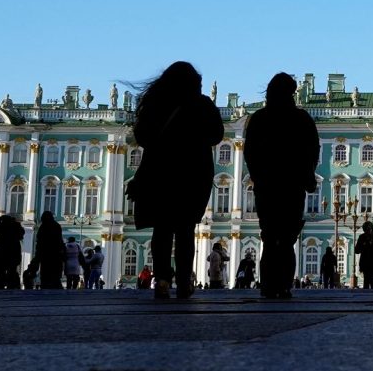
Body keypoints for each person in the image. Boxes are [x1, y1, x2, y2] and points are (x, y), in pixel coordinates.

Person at [130, 61, 225, 299]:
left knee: (162, 229)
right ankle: (184, 280)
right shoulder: (201, 104)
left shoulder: (156, 105)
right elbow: (217, 135)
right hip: (193, 174)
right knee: (185, 230)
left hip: (161, 173)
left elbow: (142, 137)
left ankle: (162, 279)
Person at [243, 72, 319, 299]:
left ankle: (268, 285)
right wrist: (308, 176)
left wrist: (257, 176)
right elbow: (312, 150)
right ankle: (284, 284)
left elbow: (250, 153)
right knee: (287, 238)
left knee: (270, 235)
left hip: (267, 185)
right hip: (291, 185)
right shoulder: (301, 119)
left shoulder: (259, 119)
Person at [0, 214, 25, 289]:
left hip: (3, 252)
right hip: (14, 252)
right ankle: (11, 286)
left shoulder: (2, 225)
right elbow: (22, 234)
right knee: (11, 270)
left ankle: (0, 285)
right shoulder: (16, 225)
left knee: (0, 271)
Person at [34, 210, 64, 289]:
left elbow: (39, 241)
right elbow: (60, 240)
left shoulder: (43, 227)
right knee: (55, 276)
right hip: (55, 255)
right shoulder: (57, 226)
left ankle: (46, 287)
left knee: (45, 275)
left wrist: (38, 254)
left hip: (46, 255)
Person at [355, 221, 373, 289]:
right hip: (367, 262)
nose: (368, 230)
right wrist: (364, 246)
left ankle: (372, 296)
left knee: (372, 280)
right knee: (367, 280)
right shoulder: (362, 237)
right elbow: (357, 250)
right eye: (366, 229)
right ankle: (367, 297)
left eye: (369, 228)